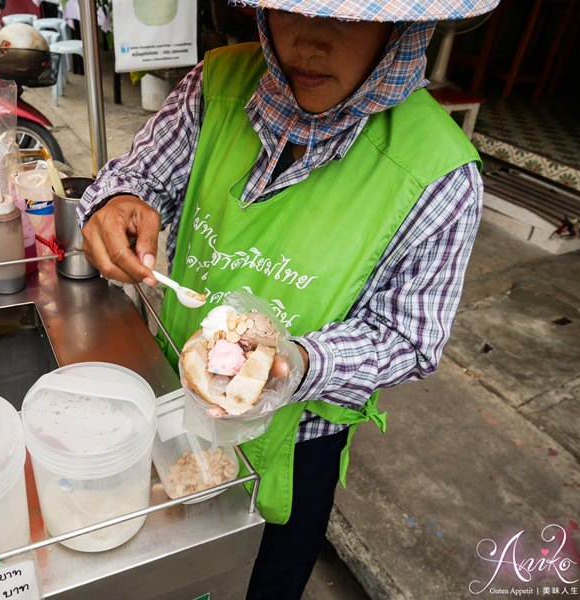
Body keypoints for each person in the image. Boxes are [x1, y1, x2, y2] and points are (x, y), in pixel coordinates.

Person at [78, 0, 499, 598]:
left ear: (401, 26)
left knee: (260, 583)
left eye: (347, 17)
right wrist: (119, 202)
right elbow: (146, 175)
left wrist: (298, 365)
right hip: (173, 404)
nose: (309, 42)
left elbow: (409, 336)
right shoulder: (216, 84)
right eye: (288, 8)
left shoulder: (440, 173)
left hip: (300, 447)